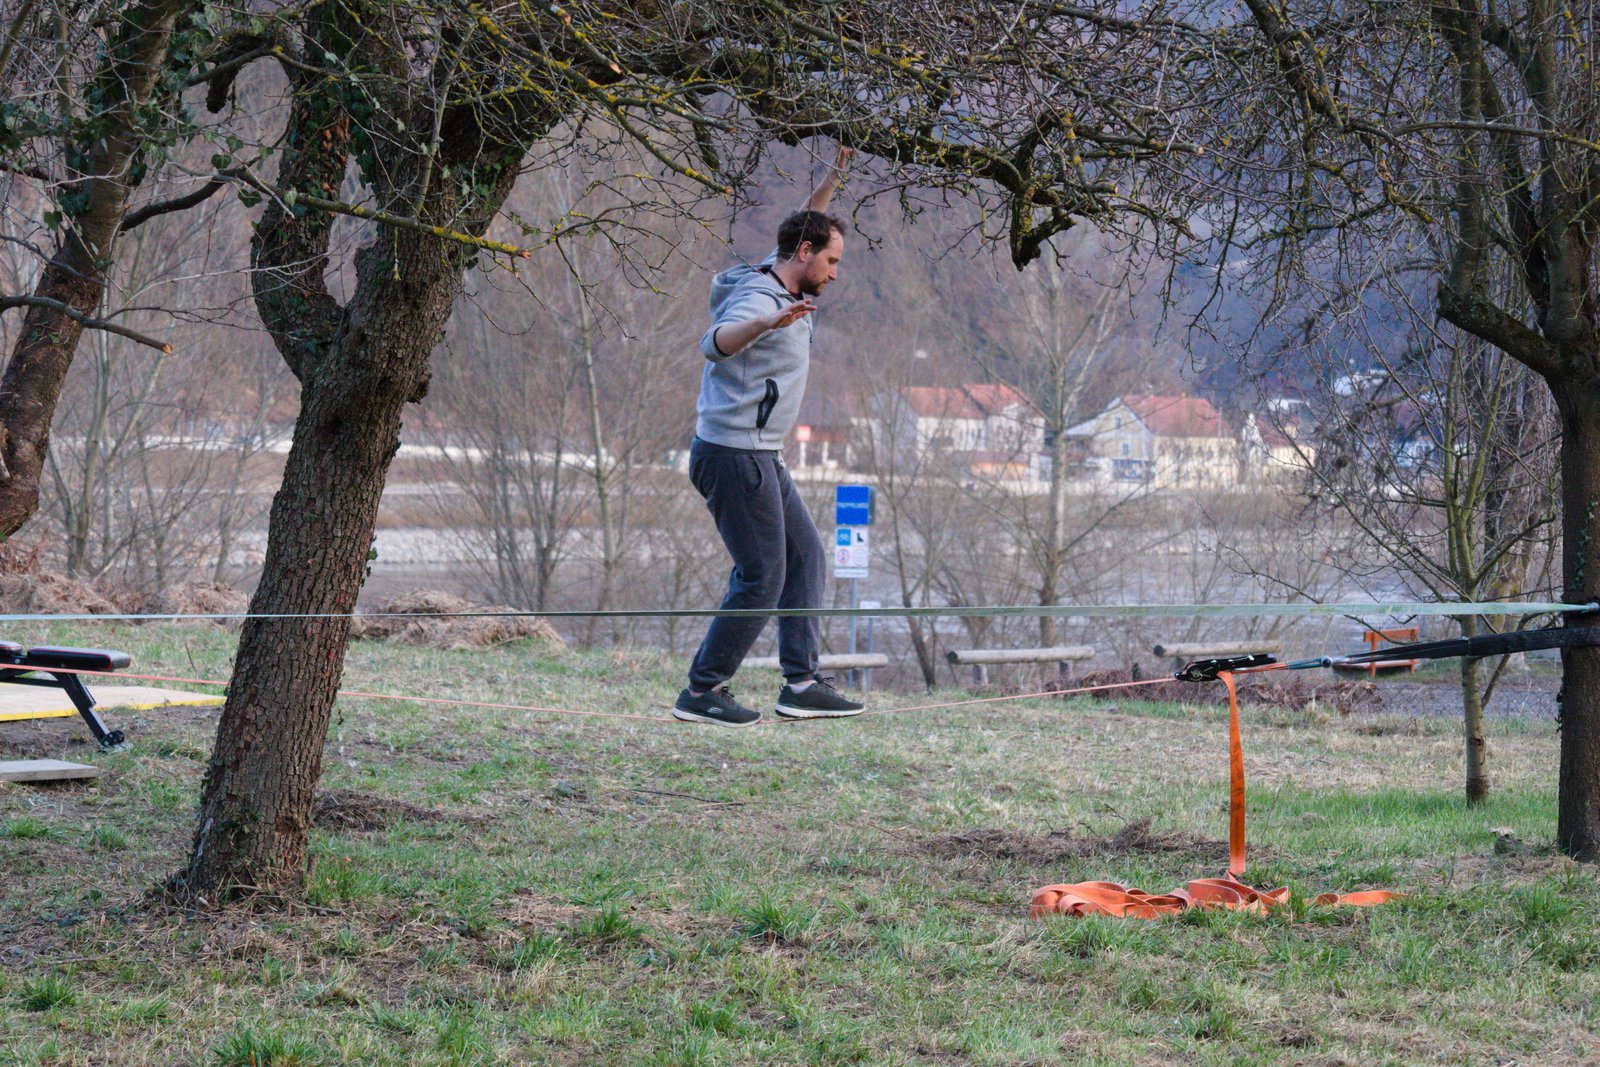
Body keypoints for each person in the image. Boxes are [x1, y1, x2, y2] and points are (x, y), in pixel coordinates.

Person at [674, 146, 866, 727]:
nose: (835, 272)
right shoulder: (760, 297)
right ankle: (702, 692)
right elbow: (715, 342)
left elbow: (805, 221)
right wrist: (764, 324)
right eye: (831, 260)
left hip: (759, 454)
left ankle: (801, 685)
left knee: (805, 557)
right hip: (735, 455)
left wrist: (835, 178)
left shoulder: (777, 265)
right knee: (762, 575)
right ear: (805, 255)